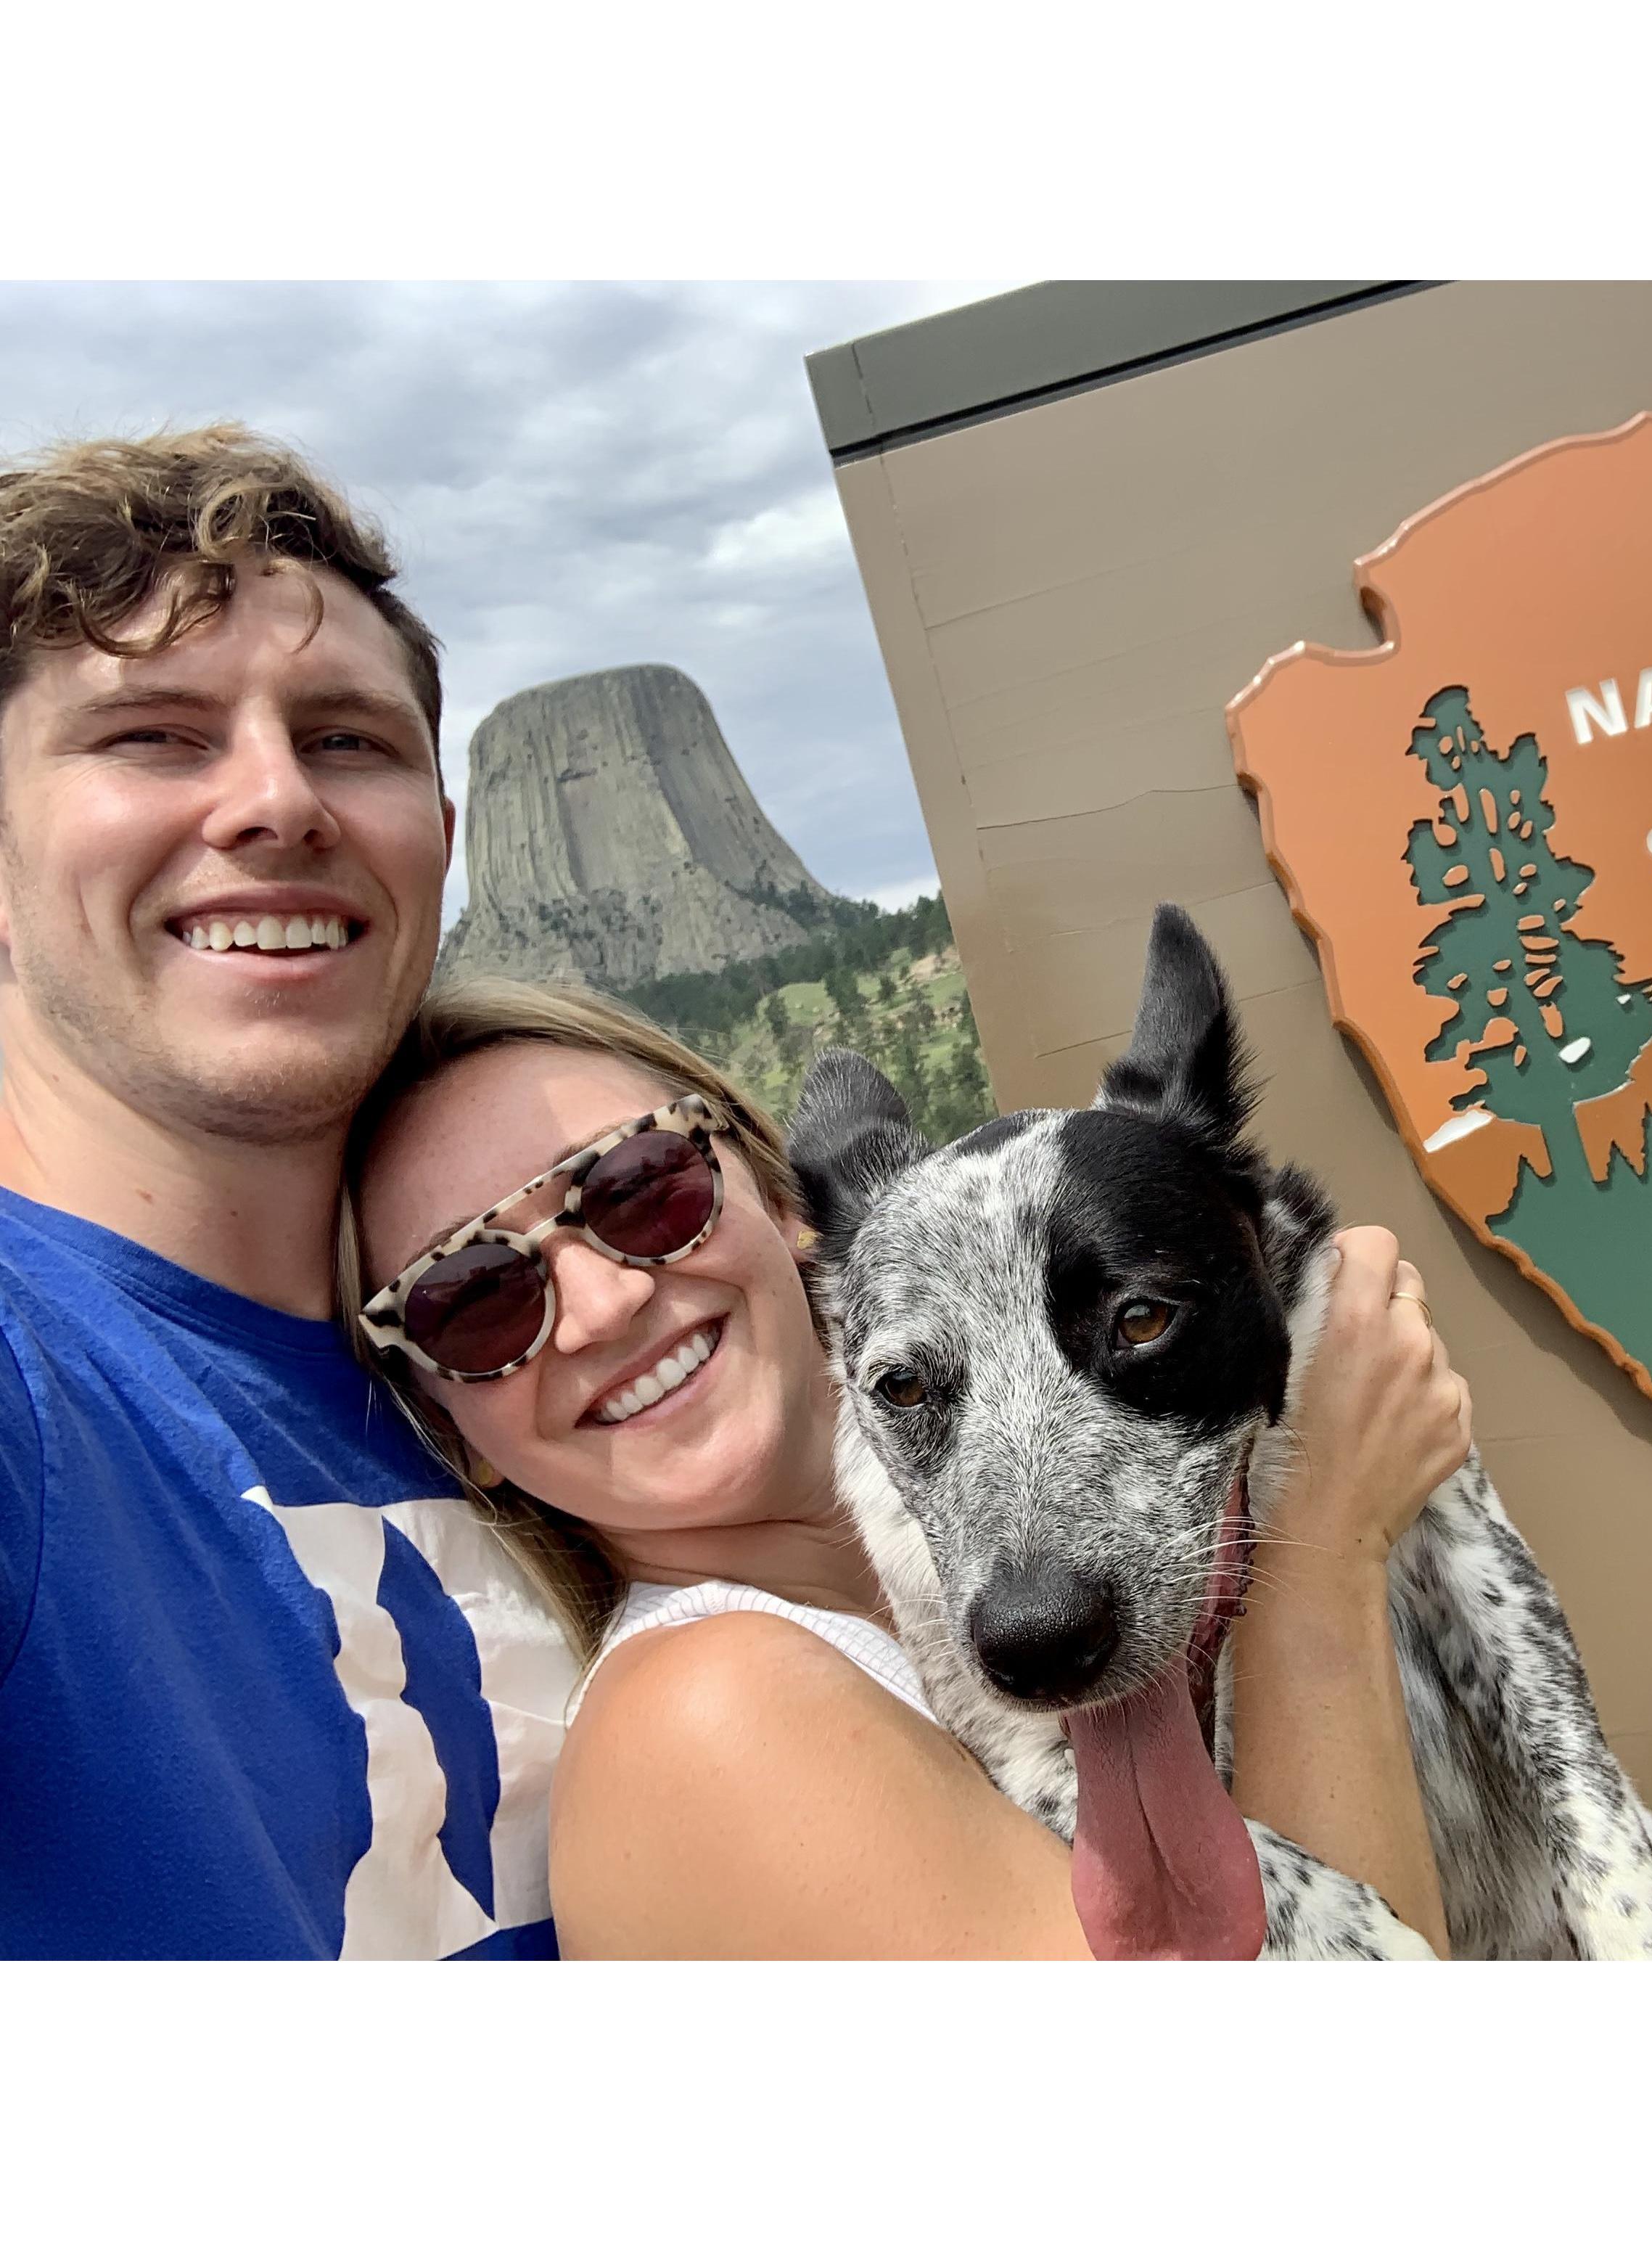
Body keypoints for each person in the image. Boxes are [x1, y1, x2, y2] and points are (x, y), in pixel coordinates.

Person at [342, 979, 1476, 1958]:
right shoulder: (708, 1715)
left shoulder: (952, 1621)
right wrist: (1332, 1534)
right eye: (472, 1300)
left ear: (792, 1215)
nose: (603, 1303)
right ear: (453, 1436)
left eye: (642, 1189)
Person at [0, 428, 577, 1958]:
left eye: (347, 739)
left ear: (441, 841)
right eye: (154, 736)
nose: (277, 802)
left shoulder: (543, 1352)